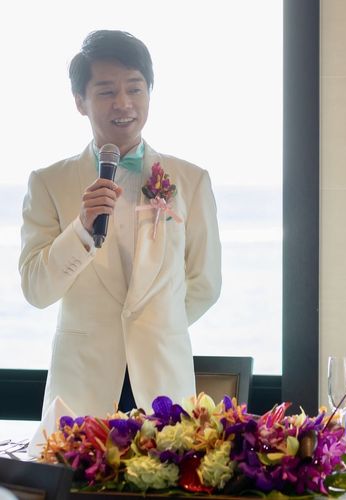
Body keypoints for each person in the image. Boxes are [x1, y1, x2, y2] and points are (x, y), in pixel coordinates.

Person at [19, 30, 222, 417]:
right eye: (107, 91)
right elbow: (35, 289)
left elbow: (205, 282)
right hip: (82, 388)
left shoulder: (191, 181)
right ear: (80, 101)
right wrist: (81, 229)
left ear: (149, 92)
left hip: (164, 385)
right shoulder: (49, 182)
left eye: (135, 88)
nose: (124, 103)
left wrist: (155, 328)